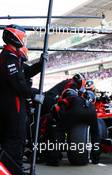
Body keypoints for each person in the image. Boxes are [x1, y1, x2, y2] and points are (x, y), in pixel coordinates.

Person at [0, 24, 43, 169]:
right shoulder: (9, 57)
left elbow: (26, 73)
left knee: (14, 139)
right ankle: (13, 169)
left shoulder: (11, 56)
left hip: (11, 105)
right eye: (22, 37)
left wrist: (41, 64)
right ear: (14, 37)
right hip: (13, 106)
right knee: (15, 140)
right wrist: (34, 96)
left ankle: (12, 168)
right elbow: (18, 83)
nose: (23, 40)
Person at [46, 88, 100, 166]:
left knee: (59, 130)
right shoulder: (87, 102)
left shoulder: (71, 98)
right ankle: (95, 158)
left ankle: (54, 158)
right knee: (95, 134)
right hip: (92, 112)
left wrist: (61, 118)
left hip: (75, 112)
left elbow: (61, 106)